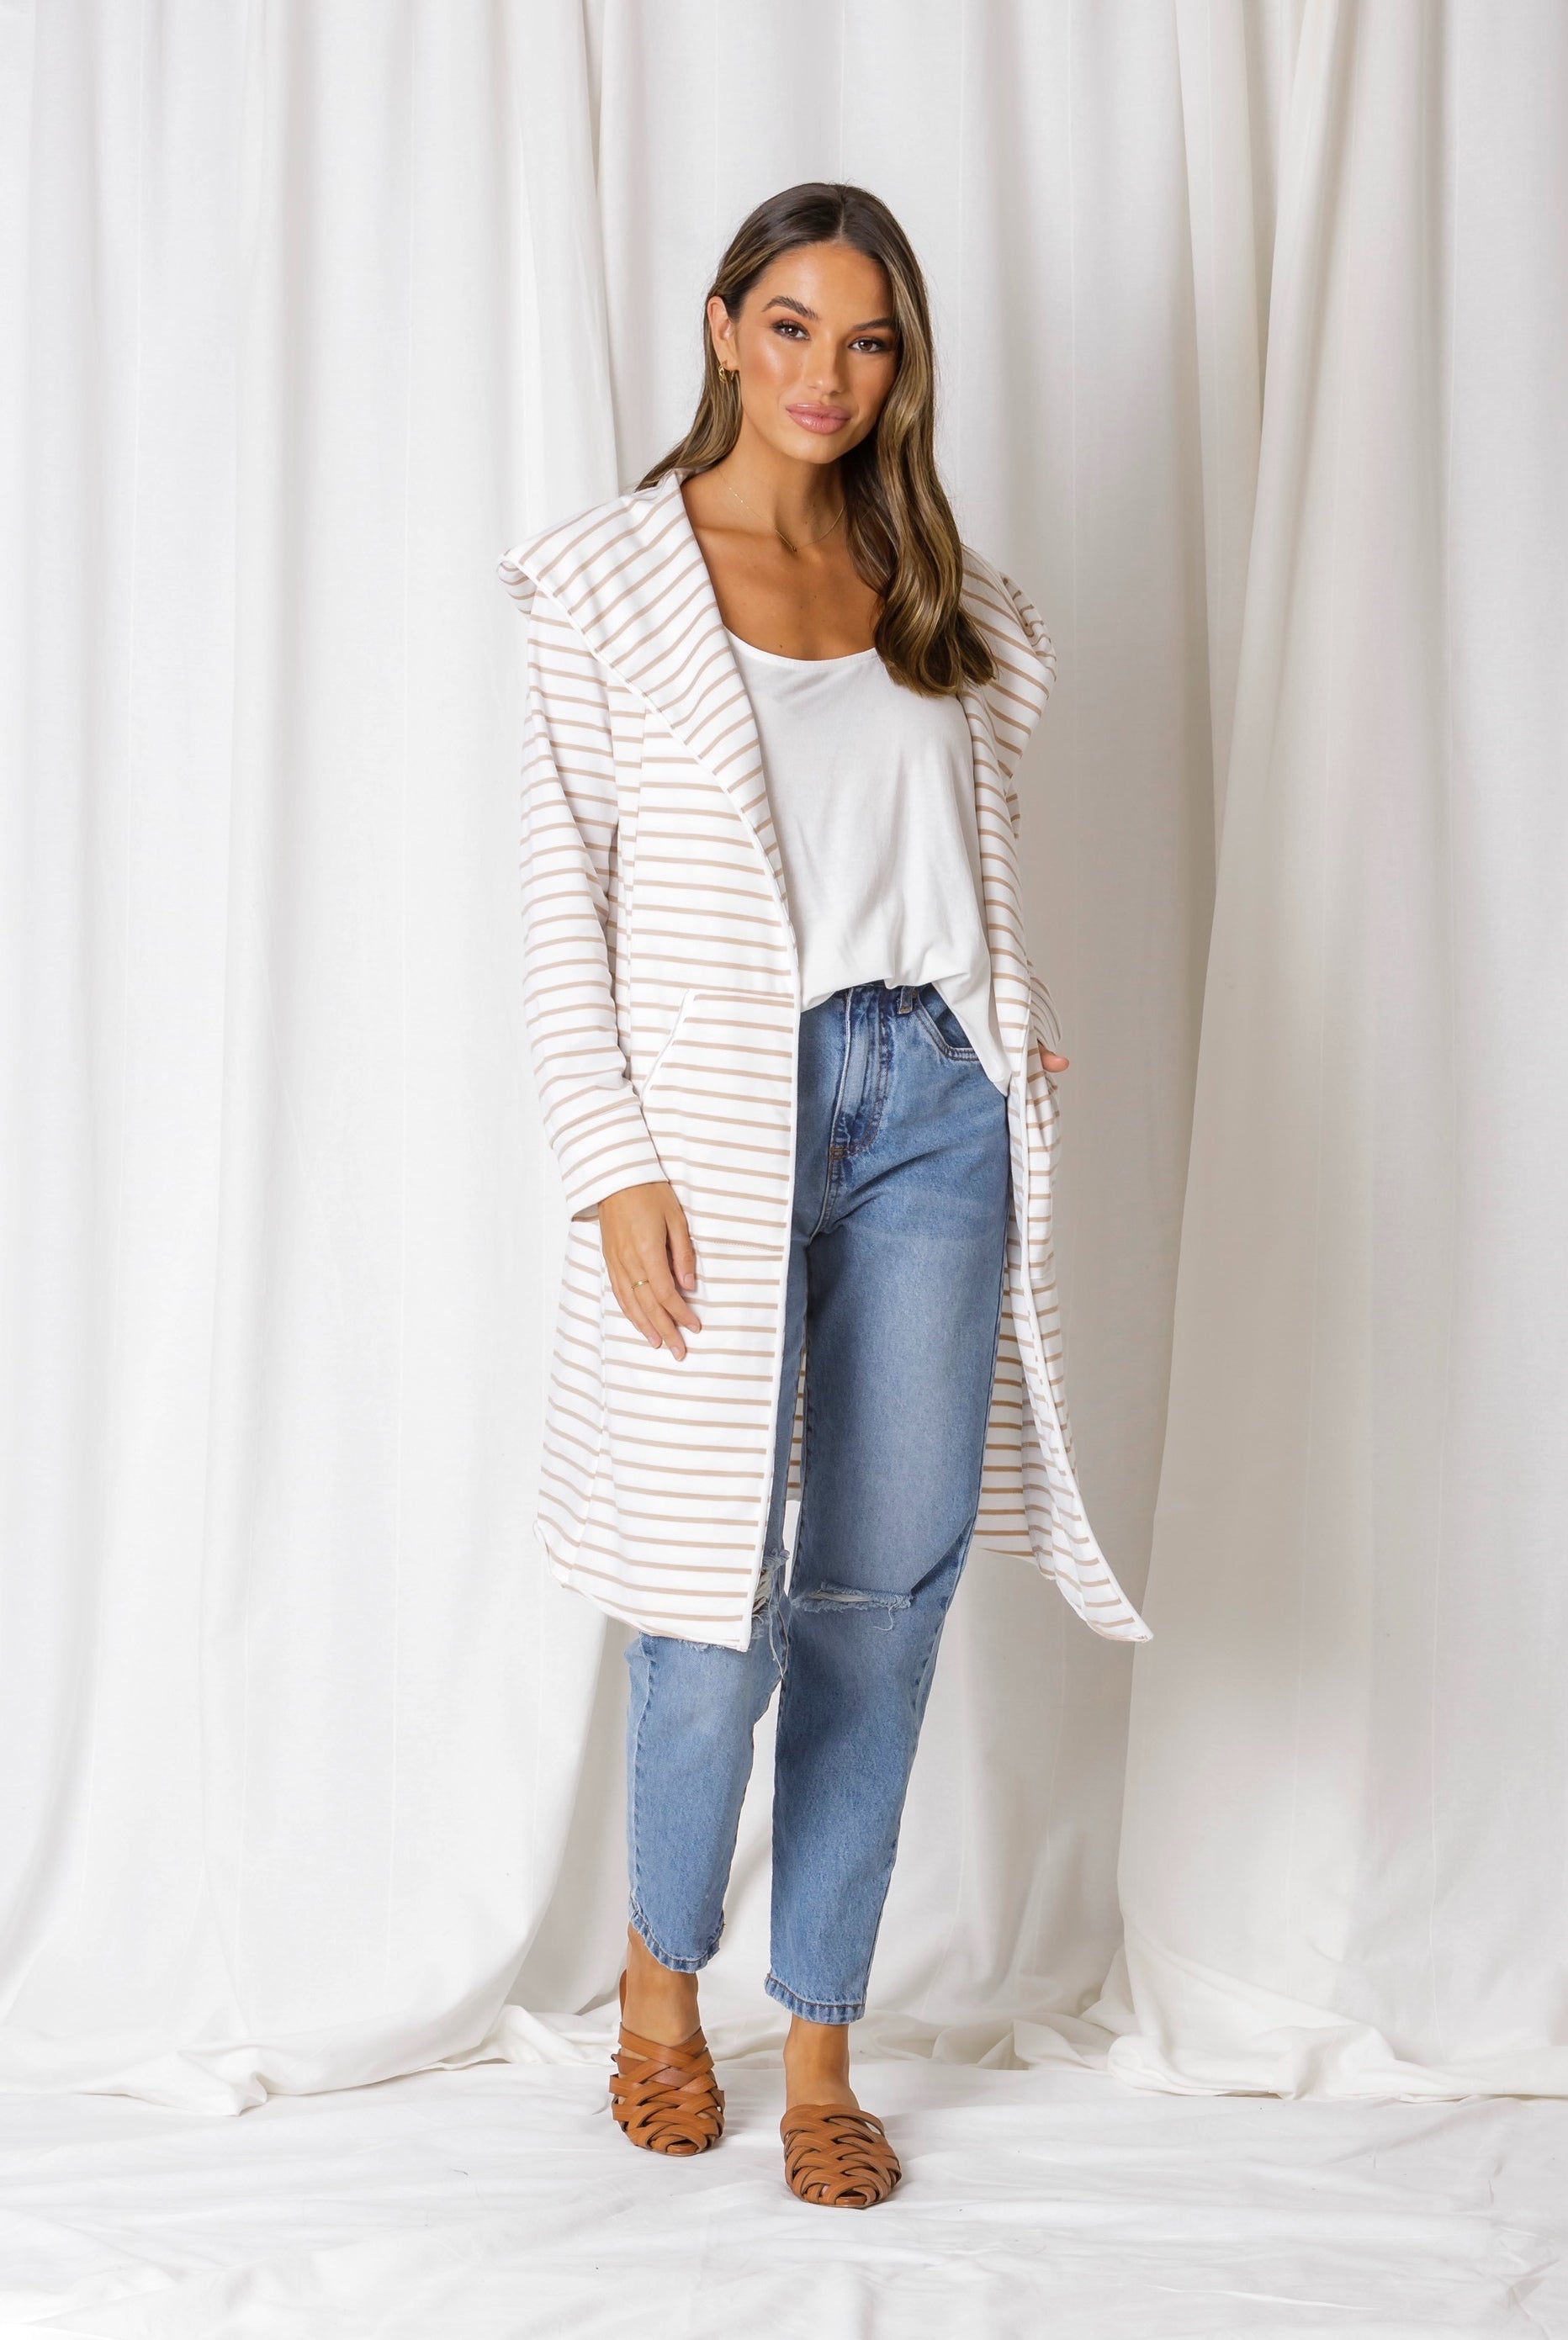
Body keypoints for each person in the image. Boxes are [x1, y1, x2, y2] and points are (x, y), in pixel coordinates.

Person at [497, 180, 1149, 2211]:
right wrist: (610, 1159)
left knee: (882, 1589)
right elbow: (560, 896)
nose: (825, 373)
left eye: (866, 341)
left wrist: (1010, 1021)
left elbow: (960, 859)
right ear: (721, 327)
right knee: (709, 1590)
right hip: (716, 1117)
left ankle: (821, 2042)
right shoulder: (606, 580)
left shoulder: (938, 585)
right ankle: (657, 1990)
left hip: (934, 1108)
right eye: (789, 326)